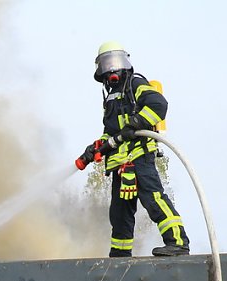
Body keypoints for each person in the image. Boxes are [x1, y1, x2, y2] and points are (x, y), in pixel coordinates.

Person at [79, 41, 190, 257]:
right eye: (107, 63)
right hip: (120, 166)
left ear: (125, 62)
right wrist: (95, 148)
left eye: (115, 62)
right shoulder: (110, 98)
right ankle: (120, 256)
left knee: (154, 200)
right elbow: (111, 132)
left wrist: (136, 123)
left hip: (139, 158)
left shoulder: (135, 83)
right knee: (119, 214)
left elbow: (159, 105)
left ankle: (177, 243)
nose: (112, 68)